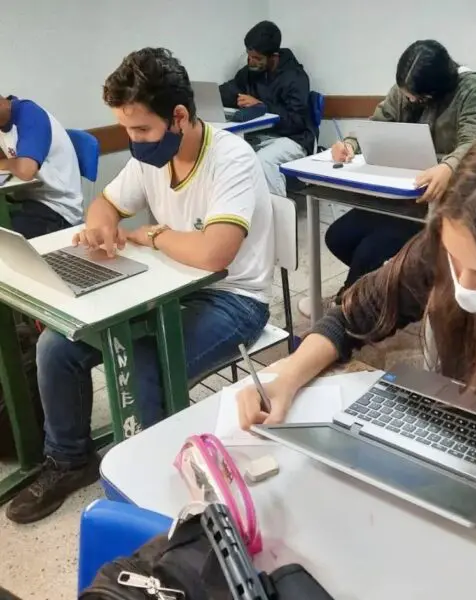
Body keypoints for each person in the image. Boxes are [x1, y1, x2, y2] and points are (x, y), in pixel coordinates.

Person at [239, 119, 476, 512]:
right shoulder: (443, 253)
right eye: (455, 260)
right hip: (449, 462)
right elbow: (350, 316)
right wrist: (287, 376)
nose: (461, 284)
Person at [6, 47, 274, 524]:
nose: (133, 142)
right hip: (170, 286)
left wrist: (151, 234)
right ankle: (69, 459)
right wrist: (100, 228)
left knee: (143, 364)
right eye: (127, 129)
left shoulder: (231, 158)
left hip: (234, 299)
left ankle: (151, 491)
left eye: (141, 130)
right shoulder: (152, 157)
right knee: (55, 347)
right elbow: (104, 206)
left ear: (179, 117)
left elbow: (215, 253)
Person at [299, 40, 476, 318]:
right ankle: (375, 292)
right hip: (398, 194)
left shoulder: (470, 88)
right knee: (337, 237)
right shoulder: (405, 89)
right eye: (407, 94)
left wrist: (449, 168)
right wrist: (351, 144)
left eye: (417, 97)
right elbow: (379, 122)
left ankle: (349, 308)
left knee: (370, 251)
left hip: (440, 203)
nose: (409, 100)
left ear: (436, 88)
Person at [220, 21, 315, 197]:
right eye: (249, 56)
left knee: (264, 161)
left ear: (274, 56)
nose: (251, 62)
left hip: (295, 138)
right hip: (262, 136)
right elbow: (231, 89)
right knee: (232, 154)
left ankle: (276, 219)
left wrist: (261, 106)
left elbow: (296, 121)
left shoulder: (296, 77)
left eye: (257, 58)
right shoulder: (251, 71)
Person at [0, 95, 83, 238]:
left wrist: (3, 164)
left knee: (8, 242)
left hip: (58, 209)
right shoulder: (3, 122)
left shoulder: (29, 114)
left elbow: (26, 170)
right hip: (26, 199)